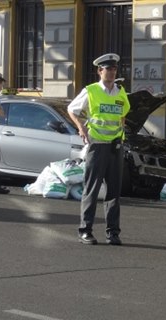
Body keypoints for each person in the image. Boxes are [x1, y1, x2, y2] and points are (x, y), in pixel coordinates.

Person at [66, 53, 130, 246]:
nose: (111, 72)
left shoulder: (120, 92)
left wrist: (121, 133)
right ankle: (85, 231)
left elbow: (123, 114)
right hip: (97, 146)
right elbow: (72, 109)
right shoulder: (91, 91)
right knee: (92, 190)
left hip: (115, 147)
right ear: (99, 71)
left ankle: (113, 233)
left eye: (114, 69)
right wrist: (81, 127)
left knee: (114, 192)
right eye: (107, 69)